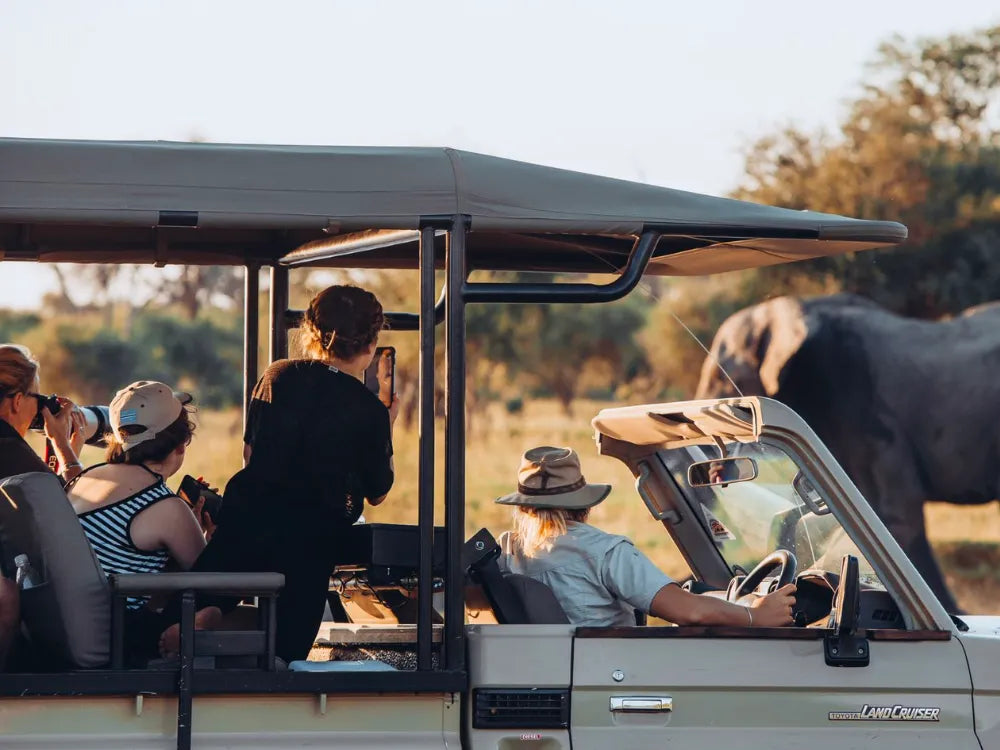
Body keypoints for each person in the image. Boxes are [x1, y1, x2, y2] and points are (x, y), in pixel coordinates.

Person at [188, 284, 398, 662]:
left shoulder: (277, 375)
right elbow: (377, 492)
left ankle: (214, 609)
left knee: (211, 591)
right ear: (371, 345)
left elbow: (250, 454)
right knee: (285, 652)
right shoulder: (369, 410)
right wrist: (387, 423)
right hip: (310, 543)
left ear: (312, 332)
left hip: (247, 519)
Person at [496, 446, 796, 628]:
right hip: (610, 674)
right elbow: (690, 612)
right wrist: (756, 616)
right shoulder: (606, 552)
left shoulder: (507, 550)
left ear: (523, 507)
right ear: (585, 505)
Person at [65, 381, 219, 662]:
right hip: (119, 638)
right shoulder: (164, 506)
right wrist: (209, 536)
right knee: (216, 608)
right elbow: (210, 579)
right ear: (181, 444)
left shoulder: (86, 477)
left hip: (68, 624)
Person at [0, 344, 89, 669]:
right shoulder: (12, 451)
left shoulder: (12, 452)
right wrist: (66, 450)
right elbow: (66, 520)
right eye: (38, 398)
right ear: (19, 400)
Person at [0, 344, 86, 484]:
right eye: (38, 398)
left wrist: (71, 450)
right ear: (18, 401)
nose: (39, 408)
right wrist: (63, 446)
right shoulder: (9, 449)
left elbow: (45, 495)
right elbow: (67, 503)